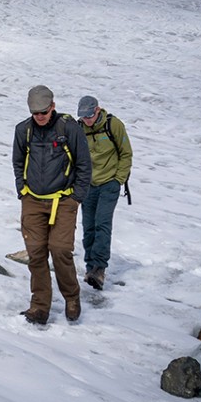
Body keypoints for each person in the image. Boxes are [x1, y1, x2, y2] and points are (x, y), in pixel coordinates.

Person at [12, 85, 91, 324]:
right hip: (33, 200)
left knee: (60, 250)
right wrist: (22, 190)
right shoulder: (23, 130)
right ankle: (39, 306)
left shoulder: (69, 128)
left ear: (52, 107)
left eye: (44, 112)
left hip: (64, 200)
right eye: (36, 113)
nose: (40, 117)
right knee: (36, 254)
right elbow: (17, 162)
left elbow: (84, 165)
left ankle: (71, 297)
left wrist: (76, 196)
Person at [76, 95, 132, 290]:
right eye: (84, 117)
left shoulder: (113, 125)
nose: (87, 120)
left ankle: (99, 269)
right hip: (88, 185)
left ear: (97, 110)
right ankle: (90, 267)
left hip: (109, 183)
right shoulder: (79, 128)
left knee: (102, 224)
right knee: (89, 226)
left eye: (90, 116)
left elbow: (126, 153)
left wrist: (119, 180)